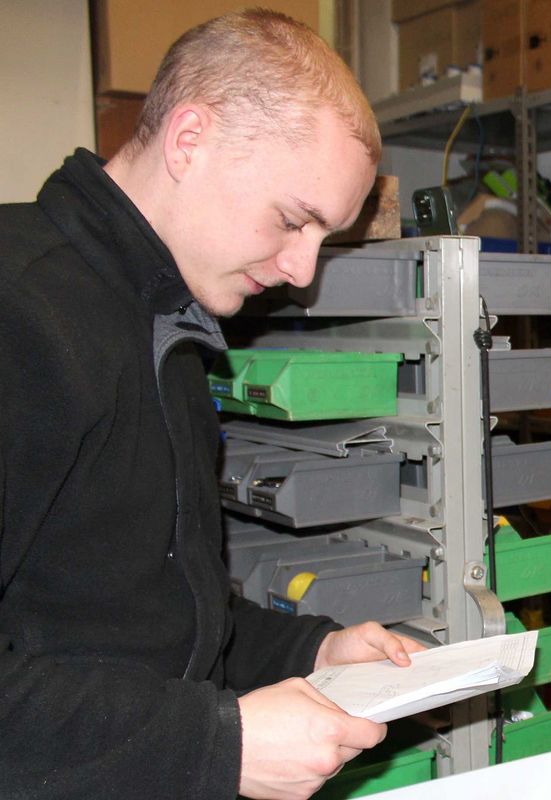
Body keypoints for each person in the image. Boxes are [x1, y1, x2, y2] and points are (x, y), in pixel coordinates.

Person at [0, 11, 426, 799]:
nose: (303, 271)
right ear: (190, 139)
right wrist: (215, 743)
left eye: (322, 240)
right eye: (295, 219)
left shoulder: (168, 330)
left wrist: (310, 654)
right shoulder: (21, 314)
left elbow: (147, 619)